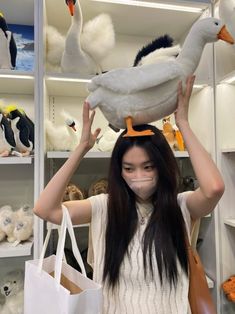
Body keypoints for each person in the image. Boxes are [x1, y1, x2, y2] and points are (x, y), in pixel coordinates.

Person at [34, 75, 225, 314]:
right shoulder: (103, 206)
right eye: (128, 168)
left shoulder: (181, 206)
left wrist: (183, 124)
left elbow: (214, 188)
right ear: (118, 170)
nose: (139, 177)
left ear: (162, 166)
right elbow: (45, 209)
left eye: (148, 166)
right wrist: (81, 147)